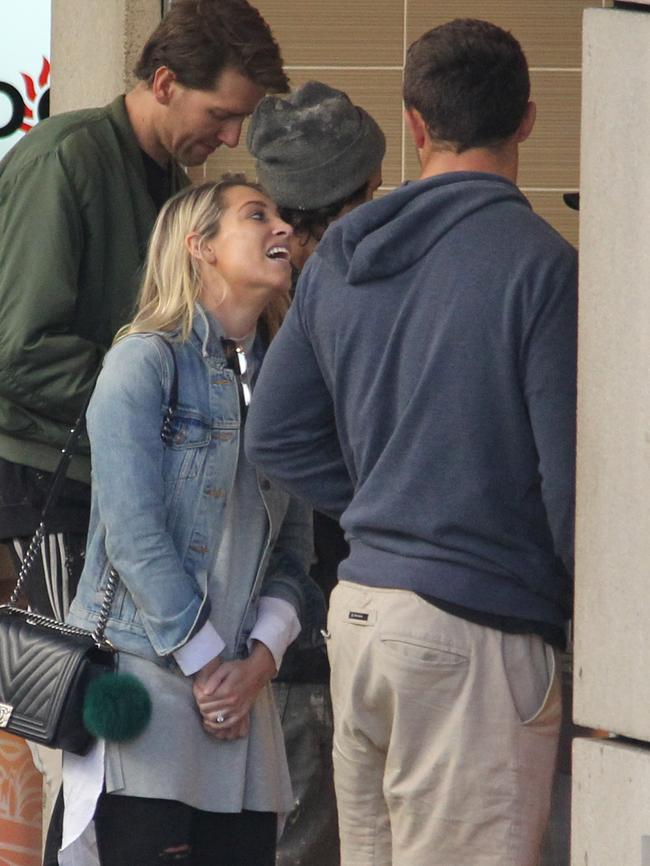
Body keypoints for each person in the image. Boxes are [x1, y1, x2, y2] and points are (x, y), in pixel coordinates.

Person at [246, 18, 577, 866]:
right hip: (476, 632)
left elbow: (274, 432)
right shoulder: (541, 266)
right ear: (529, 120)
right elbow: (570, 476)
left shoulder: (341, 256)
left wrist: (386, 503)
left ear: (416, 128)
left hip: (358, 616)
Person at [0, 0, 288, 622]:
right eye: (221, 114)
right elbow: (19, 351)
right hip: (47, 481)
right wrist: (157, 409)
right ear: (164, 83)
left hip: (110, 476)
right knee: (71, 689)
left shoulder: (175, 188)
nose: (233, 137)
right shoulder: (65, 159)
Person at [59, 176, 312, 866]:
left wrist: (258, 663)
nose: (282, 229)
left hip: (241, 702)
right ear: (199, 246)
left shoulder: (284, 385)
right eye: (257, 215)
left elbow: (296, 553)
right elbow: (133, 535)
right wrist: (212, 670)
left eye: (281, 215)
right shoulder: (143, 362)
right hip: (147, 688)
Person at [246, 80, 385, 866]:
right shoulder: (326, 291)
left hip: (294, 631)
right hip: (306, 637)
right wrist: (380, 505)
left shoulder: (257, 297)